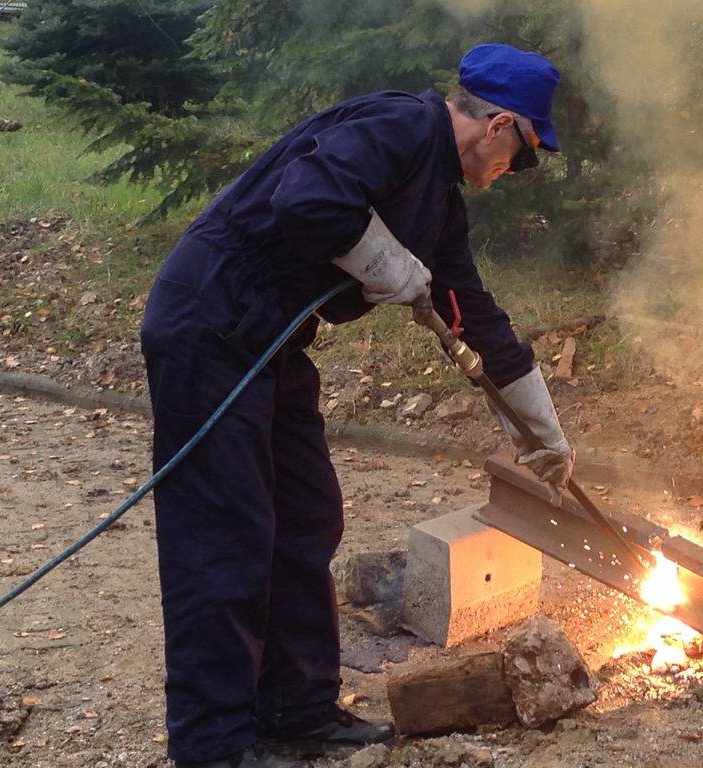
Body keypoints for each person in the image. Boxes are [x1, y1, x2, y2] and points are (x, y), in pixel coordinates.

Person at [140, 43, 573, 768]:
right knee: (225, 533)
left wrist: (542, 429)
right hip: (209, 324)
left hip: (271, 340)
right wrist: (385, 260)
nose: (516, 174)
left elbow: (475, 319)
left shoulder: (438, 203)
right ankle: (212, 745)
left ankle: (296, 712)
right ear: (498, 125)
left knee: (307, 517)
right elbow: (307, 199)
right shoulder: (400, 127)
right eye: (524, 156)